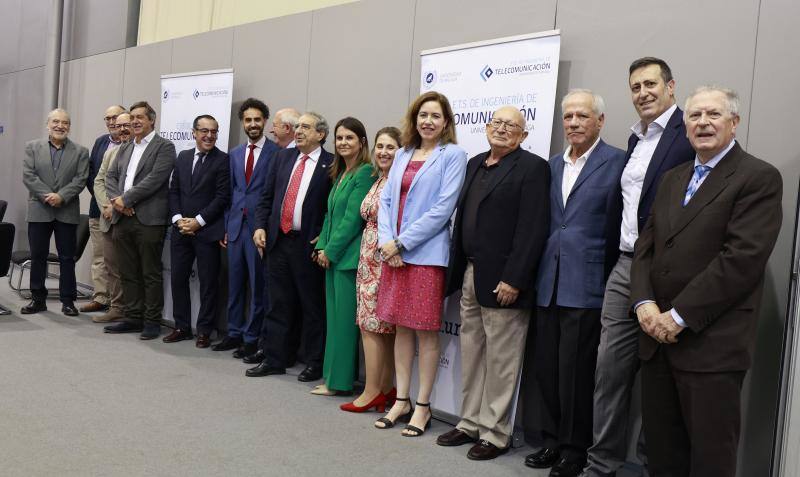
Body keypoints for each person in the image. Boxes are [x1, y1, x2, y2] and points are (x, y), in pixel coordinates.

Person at [631, 86, 781, 477]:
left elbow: (741, 261)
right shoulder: (672, 178)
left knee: (710, 457)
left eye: (713, 115)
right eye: (695, 116)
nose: (702, 123)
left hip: (711, 344)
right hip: (656, 339)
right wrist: (644, 304)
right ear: (684, 127)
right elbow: (644, 249)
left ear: (734, 122)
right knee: (663, 454)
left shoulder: (758, 178)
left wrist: (677, 316)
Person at [579, 57, 695, 477]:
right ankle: (601, 464)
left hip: (668, 271)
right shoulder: (635, 140)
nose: (642, 93)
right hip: (625, 267)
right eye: (635, 87)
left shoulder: (688, 134)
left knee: (659, 380)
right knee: (608, 373)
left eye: (650, 84)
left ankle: (652, 466)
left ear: (670, 86)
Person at [435, 105, 549, 459]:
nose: (501, 129)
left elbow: (533, 228)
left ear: (524, 135)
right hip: (470, 273)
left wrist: (514, 278)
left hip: (505, 282)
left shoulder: (533, 169)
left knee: (501, 360)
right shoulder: (474, 163)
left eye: (511, 125)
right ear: (486, 127)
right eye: (497, 123)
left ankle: (495, 433)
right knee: (472, 353)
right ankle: (469, 422)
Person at [522, 91, 626, 476]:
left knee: (577, 375)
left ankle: (574, 449)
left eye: (583, 116)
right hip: (548, 280)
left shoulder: (618, 162)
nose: (574, 123)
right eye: (568, 117)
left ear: (600, 120)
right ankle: (551, 441)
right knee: (547, 369)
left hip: (588, 283)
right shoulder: (551, 165)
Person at [374, 91, 467, 437]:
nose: (428, 121)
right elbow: (385, 200)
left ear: (446, 122)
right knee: (400, 329)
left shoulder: (453, 155)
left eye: (435, 116)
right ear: (414, 119)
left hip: (425, 256)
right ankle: (402, 400)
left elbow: (443, 209)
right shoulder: (401, 154)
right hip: (393, 256)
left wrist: (401, 242)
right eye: (423, 115)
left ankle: (423, 406)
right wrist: (388, 244)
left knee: (426, 334)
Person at [248, 111, 333, 381]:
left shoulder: (331, 164)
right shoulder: (283, 157)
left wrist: (324, 236)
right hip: (278, 241)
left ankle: (314, 362)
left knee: (312, 307)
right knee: (277, 303)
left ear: (320, 134)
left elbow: (334, 207)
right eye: (297, 126)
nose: (298, 131)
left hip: (307, 244)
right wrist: (260, 226)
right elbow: (266, 197)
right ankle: (275, 358)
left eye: (305, 127)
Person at [310, 117, 376, 396]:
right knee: (334, 321)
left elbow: (351, 220)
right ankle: (331, 378)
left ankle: (339, 382)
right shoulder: (340, 172)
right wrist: (321, 246)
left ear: (362, 142)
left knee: (344, 326)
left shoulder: (365, 172)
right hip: (333, 257)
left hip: (348, 259)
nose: (343, 143)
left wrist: (332, 251)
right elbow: (330, 215)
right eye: (339, 138)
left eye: (349, 138)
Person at [340, 126, 401, 413]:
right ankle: (386, 389)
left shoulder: (398, 182)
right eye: (380, 146)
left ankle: (373, 391)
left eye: (390, 147)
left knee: (375, 327)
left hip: (384, 259)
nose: (384, 152)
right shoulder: (378, 180)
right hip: (368, 257)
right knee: (372, 326)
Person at [103, 101, 176, 340]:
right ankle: (132, 317)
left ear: (151, 120)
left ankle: (152, 321)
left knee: (150, 272)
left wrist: (127, 200)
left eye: (139, 117)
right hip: (122, 217)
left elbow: (156, 179)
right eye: (132, 117)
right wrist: (118, 202)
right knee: (128, 270)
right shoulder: (125, 147)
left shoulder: (164, 146)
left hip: (149, 219)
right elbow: (111, 176)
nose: (134, 121)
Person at [213, 99, 279, 358]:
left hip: (259, 231)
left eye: (257, 119)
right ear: (243, 123)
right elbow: (230, 193)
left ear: (265, 121)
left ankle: (252, 337)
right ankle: (234, 332)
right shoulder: (235, 154)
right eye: (248, 120)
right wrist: (228, 226)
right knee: (235, 283)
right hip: (236, 229)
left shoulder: (277, 153)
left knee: (258, 286)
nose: (253, 124)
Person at [163, 115, 231, 348]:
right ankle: (181, 326)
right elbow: (174, 191)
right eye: (204, 131)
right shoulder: (182, 157)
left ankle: (204, 330)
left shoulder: (223, 160)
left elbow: (223, 197)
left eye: (214, 131)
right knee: (178, 279)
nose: (209, 136)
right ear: (194, 133)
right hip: (180, 230)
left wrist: (198, 221)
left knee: (209, 283)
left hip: (207, 231)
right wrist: (178, 219)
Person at [21, 108, 89, 317]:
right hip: (39, 208)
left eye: (65, 122)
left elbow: (81, 179)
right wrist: (48, 196)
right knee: (38, 256)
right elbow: (28, 176)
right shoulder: (32, 147)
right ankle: (37, 299)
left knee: (67, 258)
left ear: (69, 126)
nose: (60, 126)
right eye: (56, 122)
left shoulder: (81, 151)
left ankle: (68, 301)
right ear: (47, 124)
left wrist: (61, 196)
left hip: (66, 210)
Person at [82, 104, 125, 313]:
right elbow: (92, 176)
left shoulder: (131, 144)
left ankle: (119, 303)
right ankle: (100, 297)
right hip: (98, 210)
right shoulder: (100, 142)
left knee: (118, 260)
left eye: (114, 117)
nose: (111, 122)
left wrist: (115, 204)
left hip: (124, 211)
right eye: (107, 118)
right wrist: (104, 204)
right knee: (99, 257)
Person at [92, 112, 131, 323]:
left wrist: (116, 206)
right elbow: (99, 180)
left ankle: (132, 310)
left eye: (127, 124)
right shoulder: (110, 153)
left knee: (131, 267)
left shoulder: (141, 152)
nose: (122, 128)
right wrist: (105, 205)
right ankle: (116, 307)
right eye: (119, 125)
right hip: (108, 216)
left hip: (129, 216)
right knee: (112, 267)